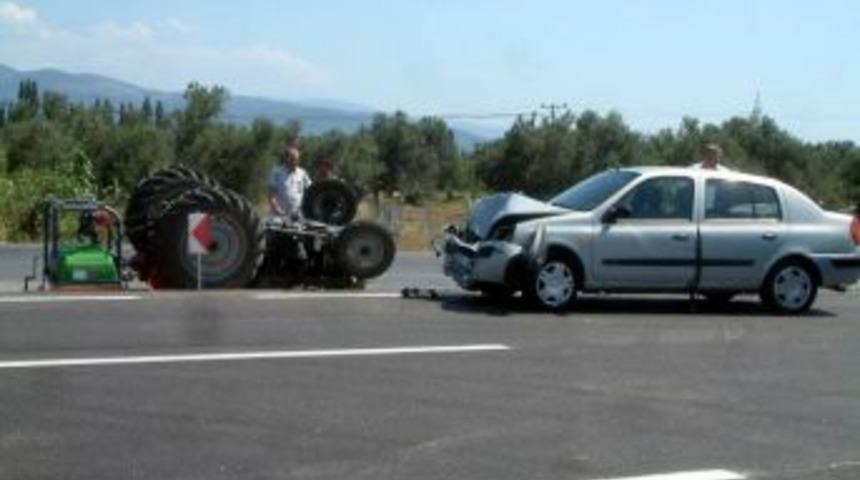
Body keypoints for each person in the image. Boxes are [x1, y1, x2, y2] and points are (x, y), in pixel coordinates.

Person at [269, 146, 312, 220]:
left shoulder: (302, 173)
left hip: (298, 215)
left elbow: (311, 190)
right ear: (286, 159)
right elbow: (271, 193)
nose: (295, 162)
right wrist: (276, 208)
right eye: (292, 159)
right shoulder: (276, 172)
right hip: (280, 214)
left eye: (297, 159)